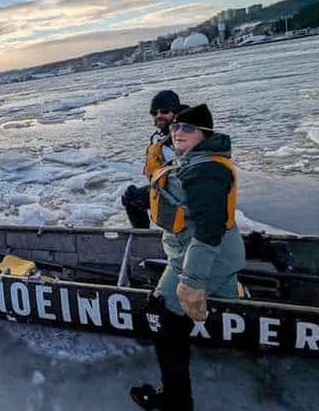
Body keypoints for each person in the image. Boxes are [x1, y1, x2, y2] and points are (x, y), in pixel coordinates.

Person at [131, 104, 245, 411]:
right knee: (182, 307)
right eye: (176, 128)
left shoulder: (207, 170)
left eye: (188, 128)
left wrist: (192, 282)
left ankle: (177, 401)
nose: (179, 132)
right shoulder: (192, 159)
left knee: (164, 316)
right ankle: (232, 294)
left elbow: (209, 229)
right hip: (195, 253)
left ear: (205, 134)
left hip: (207, 256)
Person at [121, 90, 186, 228]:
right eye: (154, 113)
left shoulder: (187, 133)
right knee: (131, 198)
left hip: (185, 191)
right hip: (168, 186)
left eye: (164, 111)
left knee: (133, 198)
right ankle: (142, 237)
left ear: (176, 111)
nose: (158, 116)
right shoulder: (164, 137)